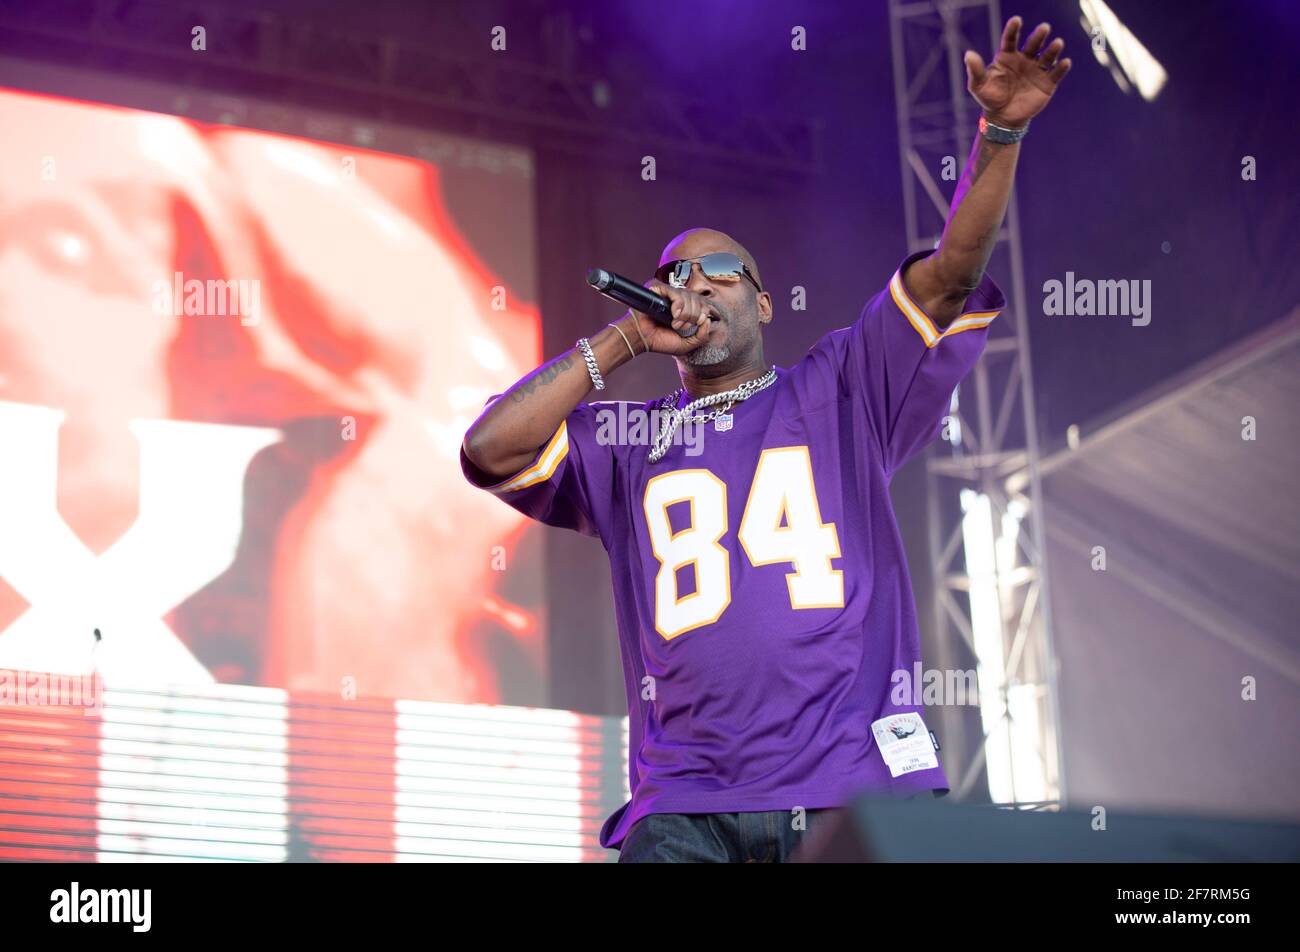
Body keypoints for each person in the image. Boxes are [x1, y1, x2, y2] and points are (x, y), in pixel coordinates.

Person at [461, 16, 1071, 862]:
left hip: (849, 784)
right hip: (683, 807)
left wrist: (999, 135)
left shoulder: (842, 389)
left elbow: (947, 280)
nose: (696, 283)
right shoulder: (631, 440)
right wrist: (623, 342)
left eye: (721, 270)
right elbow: (487, 450)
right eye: (677, 273)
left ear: (765, 301)